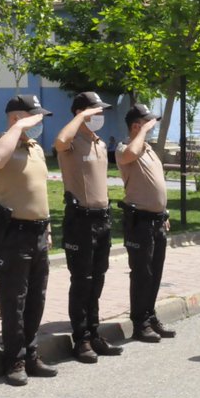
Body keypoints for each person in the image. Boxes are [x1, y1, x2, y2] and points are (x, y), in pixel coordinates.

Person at [0, 95, 58, 386]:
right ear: (16, 118)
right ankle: (13, 360)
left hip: (37, 232)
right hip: (11, 233)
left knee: (36, 299)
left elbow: (38, 191)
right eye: (34, 117)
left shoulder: (34, 147)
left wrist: (47, 228)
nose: (39, 123)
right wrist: (18, 127)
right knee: (15, 300)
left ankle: (30, 354)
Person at [55, 91, 123, 363]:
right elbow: (59, 141)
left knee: (98, 278)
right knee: (81, 280)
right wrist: (81, 116)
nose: (99, 117)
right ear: (80, 113)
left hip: (101, 219)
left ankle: (94, 333)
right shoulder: (71, 142)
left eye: (99, 112)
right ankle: (80, 338)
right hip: (80, 220)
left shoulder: (97, 142)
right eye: (94, 112)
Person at [117, 103, 175, 343]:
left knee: (155, 272)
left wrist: (164, 212)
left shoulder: (149, 150)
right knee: (142, 273)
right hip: (139, 220)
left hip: (157, 220)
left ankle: (150, 316)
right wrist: (141, 131)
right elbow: (130, 154)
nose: (152, 127)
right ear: (135, 126)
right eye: (148, 123)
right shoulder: (124, 149)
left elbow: (155, 183)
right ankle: (139, 322)